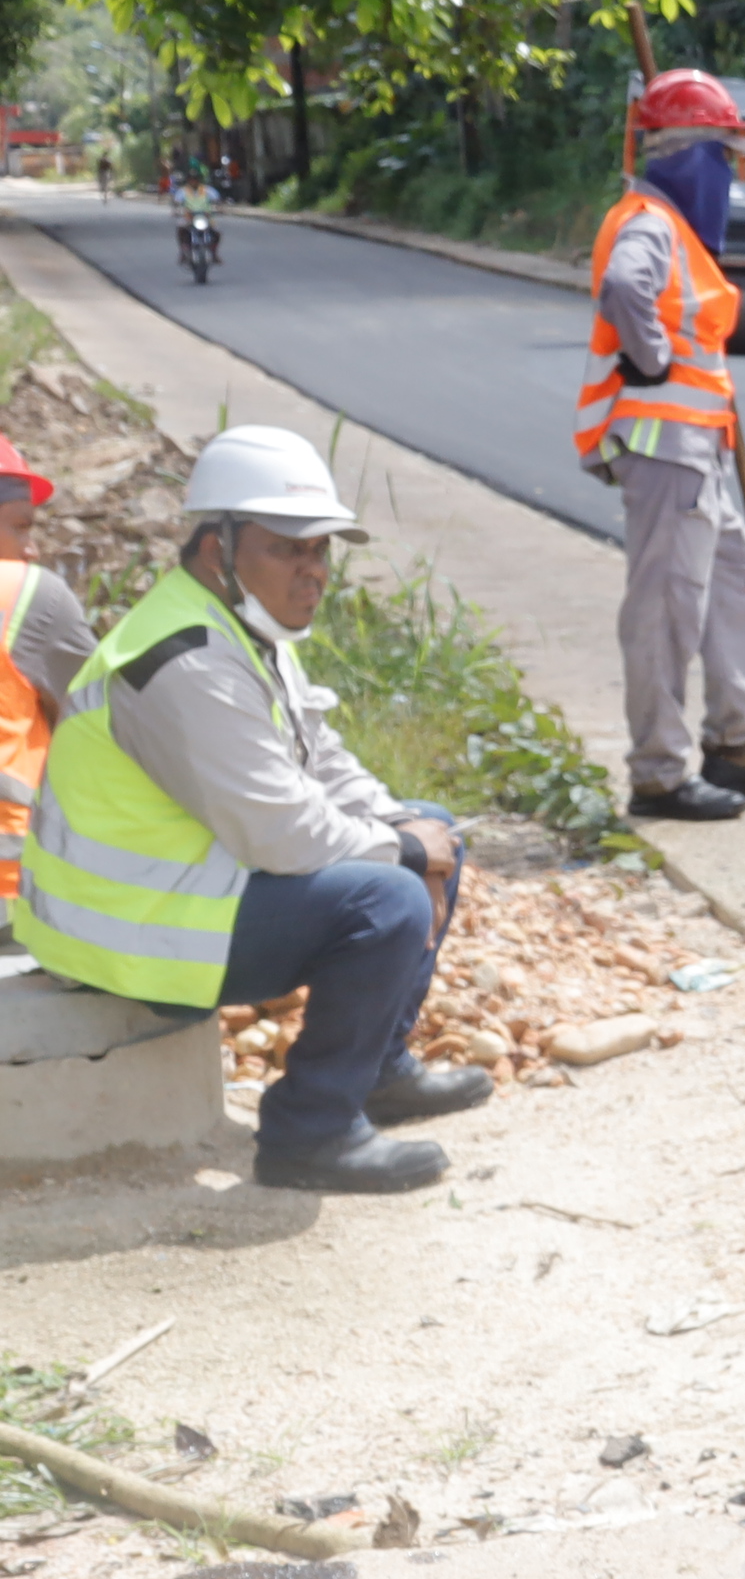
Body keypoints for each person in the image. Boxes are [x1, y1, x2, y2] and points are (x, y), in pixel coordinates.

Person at [9, 428, 492, 1193]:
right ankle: (312, 1134)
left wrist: (408, 827)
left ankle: (376, 1070)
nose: (312, 571)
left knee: (424, 822)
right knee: (389, 892)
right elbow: (279, 833)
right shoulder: (183, 659)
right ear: (217, 549)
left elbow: (319, 761)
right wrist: (406, 854)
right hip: (120, 933)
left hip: (167, 899)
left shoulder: (245, 627)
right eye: (287, 549)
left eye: (320, 551)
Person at [580, 67, 745, 824]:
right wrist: (649, 357)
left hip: (696, 448)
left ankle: (734, 745)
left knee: (739, 584)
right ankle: (659, 774)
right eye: (727, 156)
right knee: (666, 609)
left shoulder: (674, 228)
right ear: (695, 156)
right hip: (662, 447)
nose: (734, 173)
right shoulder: (649, 223)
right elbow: (623, 287)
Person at [0, 427, 99, 902]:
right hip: (13, 893)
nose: (31, 548)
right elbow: (102, 728)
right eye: (21, 526)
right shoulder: (25, 593)